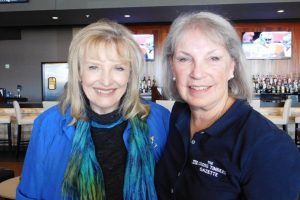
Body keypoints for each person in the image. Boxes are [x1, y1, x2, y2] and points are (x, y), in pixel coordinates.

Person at [17, 20, 170, 200]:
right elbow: (29, 195)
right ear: (79, 73)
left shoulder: (159, 120)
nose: (106, 81)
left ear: (130, 74)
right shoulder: (48, 125)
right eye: (94, 67)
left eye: (118, 68)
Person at [155, 11, 300, 200]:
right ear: (172, 66)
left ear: (232, 66)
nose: (197, 73)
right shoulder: (175, 118)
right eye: (184, 59)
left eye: (213, 58)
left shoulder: (269, 146)